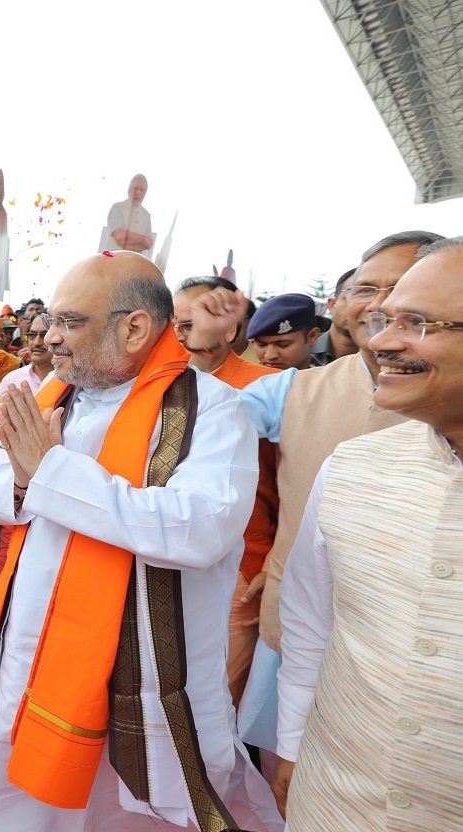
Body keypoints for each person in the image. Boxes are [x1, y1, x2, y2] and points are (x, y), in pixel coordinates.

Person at [0, 251, 283, 832]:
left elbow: (198, 529)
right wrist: (29, 481)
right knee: (33, 822)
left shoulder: (210, 408)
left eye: (69, 321)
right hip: (35, 658)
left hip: (147, 677)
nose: (50, 338)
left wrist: (50, 475)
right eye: (50, 320)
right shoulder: (54, 394)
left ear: (133, 327)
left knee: (131, 829)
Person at [185, 229, 441, 768]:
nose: (383, 303)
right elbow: (190, 421)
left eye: (400, 288)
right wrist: (194, 341)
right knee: (283, 784)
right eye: (367, 288)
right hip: (295, 639)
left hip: (420, 666)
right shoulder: (290, 392)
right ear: (340, 304)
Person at [272, 235, 463, 832]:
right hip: (335, 814)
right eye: (383, 319)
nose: (379, 341)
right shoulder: (350, 466)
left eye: (418, 323)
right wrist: (294, 744)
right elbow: (310, 622)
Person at [173, 276, 279, 707]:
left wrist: (274, 560)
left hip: (242, 566)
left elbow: (297, 482)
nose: (182, 335)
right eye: (177, 324)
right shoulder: (157, 388)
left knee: (217, 702)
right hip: (163, 558)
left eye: (195, 322)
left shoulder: (268, 386)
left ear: (232, 328)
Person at [248, 293, 320, 370]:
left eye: (283, 344)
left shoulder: (329, 380)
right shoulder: (245, 379)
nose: (270, 355)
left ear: (312, 336)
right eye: (261, 344)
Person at [0, 310, 53, 395]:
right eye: (32, 335)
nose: (36, 342)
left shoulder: (72, 382)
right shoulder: (12, 380)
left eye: (44, 335)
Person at [309, 268, 358, 365]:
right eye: (354, 296)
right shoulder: (301, 352)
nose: (362, 307)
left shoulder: (386, 359)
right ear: (332, 305)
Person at [105, 174, 153, 253]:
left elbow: (147, 244)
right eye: (136, 188)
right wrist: (143, 239)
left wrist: (127, 238)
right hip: (113, 261)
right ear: (129, 189)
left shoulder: (146, 215)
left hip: (134, 264)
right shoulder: (117, 207)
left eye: (142, 190)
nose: (138, 192)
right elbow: (120, 237)